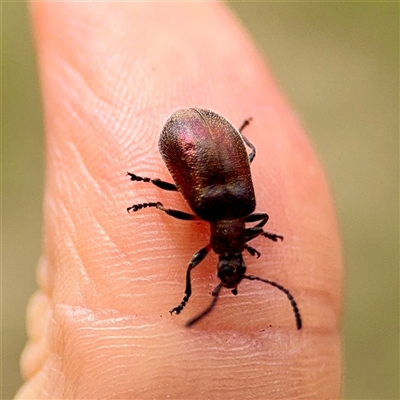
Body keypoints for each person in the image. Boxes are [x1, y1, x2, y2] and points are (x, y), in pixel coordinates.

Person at [16, 2, 342, 399]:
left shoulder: (244, 208)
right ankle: (189, 165)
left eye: (227, 264)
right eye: (233, 262)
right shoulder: (231, 210)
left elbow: (253, 223)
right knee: (182, 193)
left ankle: (228, 142)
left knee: (224, 172)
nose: (231, 265)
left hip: (199, 138)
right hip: (193, 135)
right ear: (234, 246)